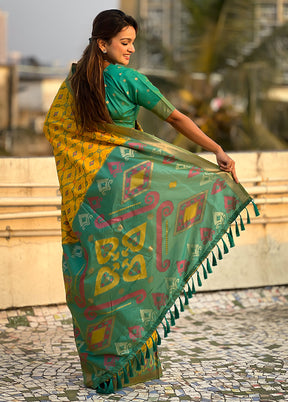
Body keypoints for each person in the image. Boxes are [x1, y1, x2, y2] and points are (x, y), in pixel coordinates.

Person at [44, 9, 256, 394]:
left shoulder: (74, 82)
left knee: (96, 275)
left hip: (90, 199)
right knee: (134, 272)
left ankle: (103, 370)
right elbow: (175, 119)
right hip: (130, 196)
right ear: (103, 44)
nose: (132, 48)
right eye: (125, 42)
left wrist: (90, 163)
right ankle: (132, 366)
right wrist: (216, 150)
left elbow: (54, 128)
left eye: (132, 42)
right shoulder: (128, 79)